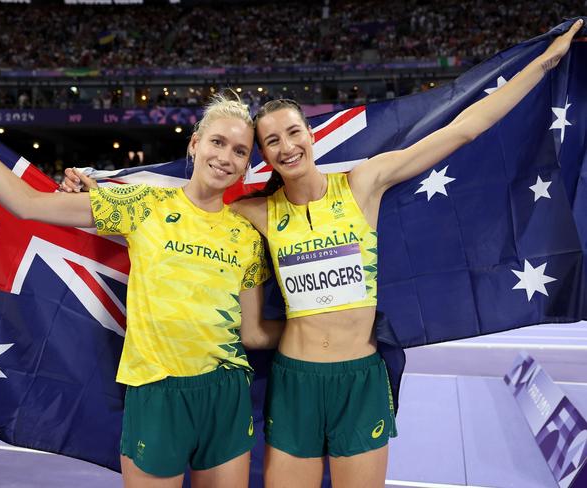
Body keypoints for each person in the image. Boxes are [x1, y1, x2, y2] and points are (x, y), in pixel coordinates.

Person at [61, 20, 584, 488]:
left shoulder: (364, 183)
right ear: (261, 157)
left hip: (360, 379)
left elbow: (463, 129)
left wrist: (542, 63)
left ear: (310, 135)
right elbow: (183, 193)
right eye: (271, 142)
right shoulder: (258, 215)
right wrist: (102, 185)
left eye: (293, 132)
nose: (286, 146)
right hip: (294, 381)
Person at [0, 90, 284, 488]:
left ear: (246, 164)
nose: (226, 157)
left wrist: (324, 331)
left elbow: (253, 332)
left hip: (226, 393)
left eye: (240, 151)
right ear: (195, 143)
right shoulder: (141, 204)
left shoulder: (246, 235)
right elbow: (26, 203)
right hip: (155, 390)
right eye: (217, 142)